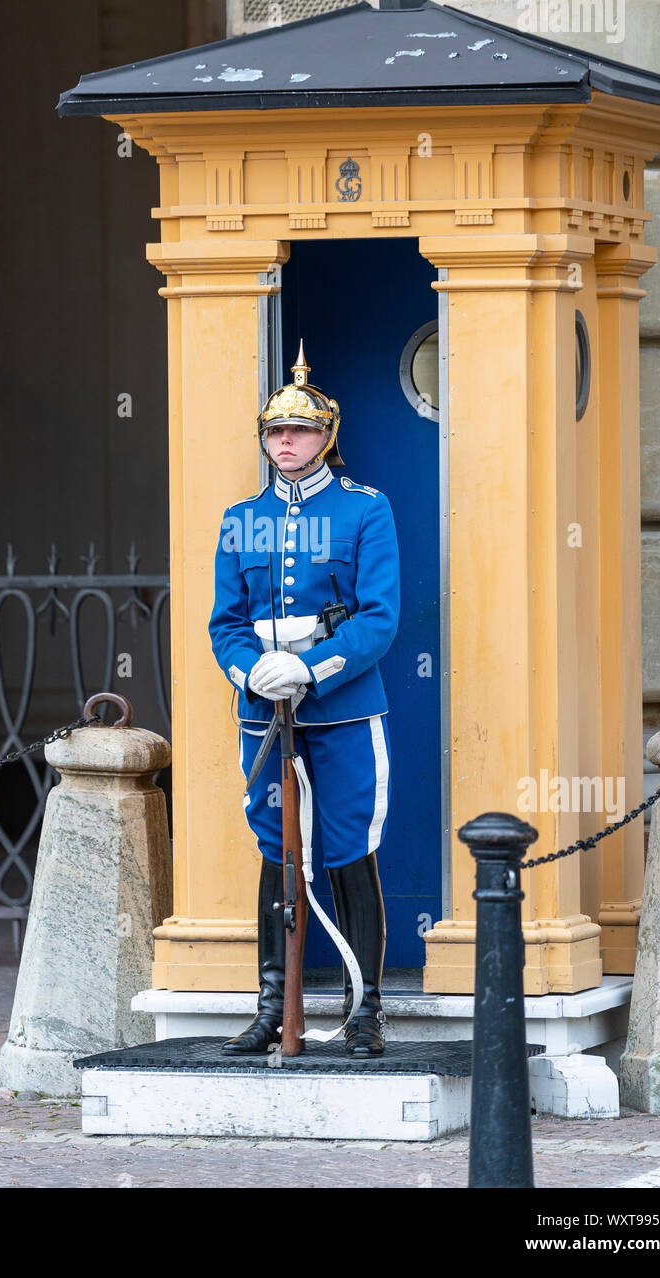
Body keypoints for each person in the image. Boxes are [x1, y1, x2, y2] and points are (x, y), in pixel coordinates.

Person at [208, 345, 400, 1057]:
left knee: (350, 848)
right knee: (275, 850)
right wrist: (248, 672)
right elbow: (225, 621)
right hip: (263, 710)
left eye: (300, 431)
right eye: (274, 432)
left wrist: (312, 671)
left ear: (326, 436)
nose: (285, 442)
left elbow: (379, 616)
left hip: (341, 706)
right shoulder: (240, 517)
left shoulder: (364, 510)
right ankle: (269, 1009)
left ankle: (364, 1012)